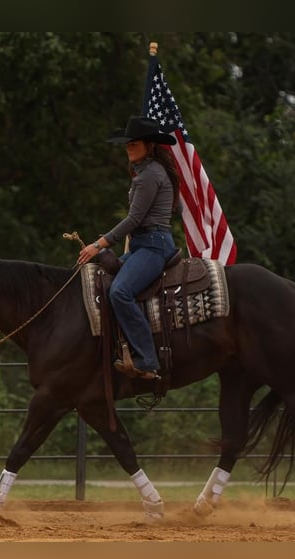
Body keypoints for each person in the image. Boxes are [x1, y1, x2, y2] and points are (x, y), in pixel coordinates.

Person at [77, 116, 180, 380]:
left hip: (153, 246)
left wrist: (98, 244)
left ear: (150, 145)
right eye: (127, 144)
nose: (129, 147)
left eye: (134, 144)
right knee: (105, 281)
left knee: (121, 292)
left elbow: (134, 219)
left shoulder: (149, 176)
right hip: (142, 244)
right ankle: (116, 349)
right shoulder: (147, 172)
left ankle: (147, 358)